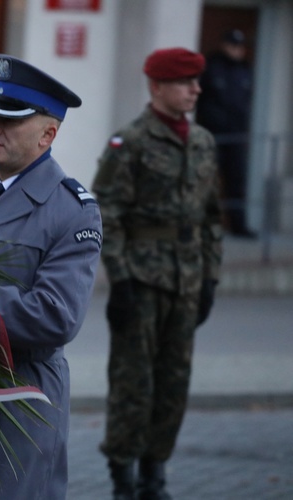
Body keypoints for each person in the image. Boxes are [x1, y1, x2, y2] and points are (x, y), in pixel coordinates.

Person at [0, 54, 102, 499]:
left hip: (18, 401)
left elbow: (57, 316)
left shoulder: (71, 210)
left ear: (48, 134)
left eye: (9, 120)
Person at [91, 47, 223, 500]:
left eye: (196, 82)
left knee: (173, 383)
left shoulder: (203, 142)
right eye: (186, 82)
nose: (196, 89)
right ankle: (122, 476)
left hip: (187, 280)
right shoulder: (129, 143)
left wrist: (210, 279)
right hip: (142, 282)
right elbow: (106, 213)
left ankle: (155, 474)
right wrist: (120, 280)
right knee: (133, 383)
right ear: (157, 87)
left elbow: (211, 217)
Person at [196, 29, 255, 237]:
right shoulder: (211, 67)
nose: (237, 50)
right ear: (224, 45)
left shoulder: (244, 70)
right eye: (233, 45)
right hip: (213, 136)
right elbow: (201, 101)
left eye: (240, 46)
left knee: (236, 181)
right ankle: (203, 227)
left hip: (236, 136)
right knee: (207, 181)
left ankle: (239, 226)